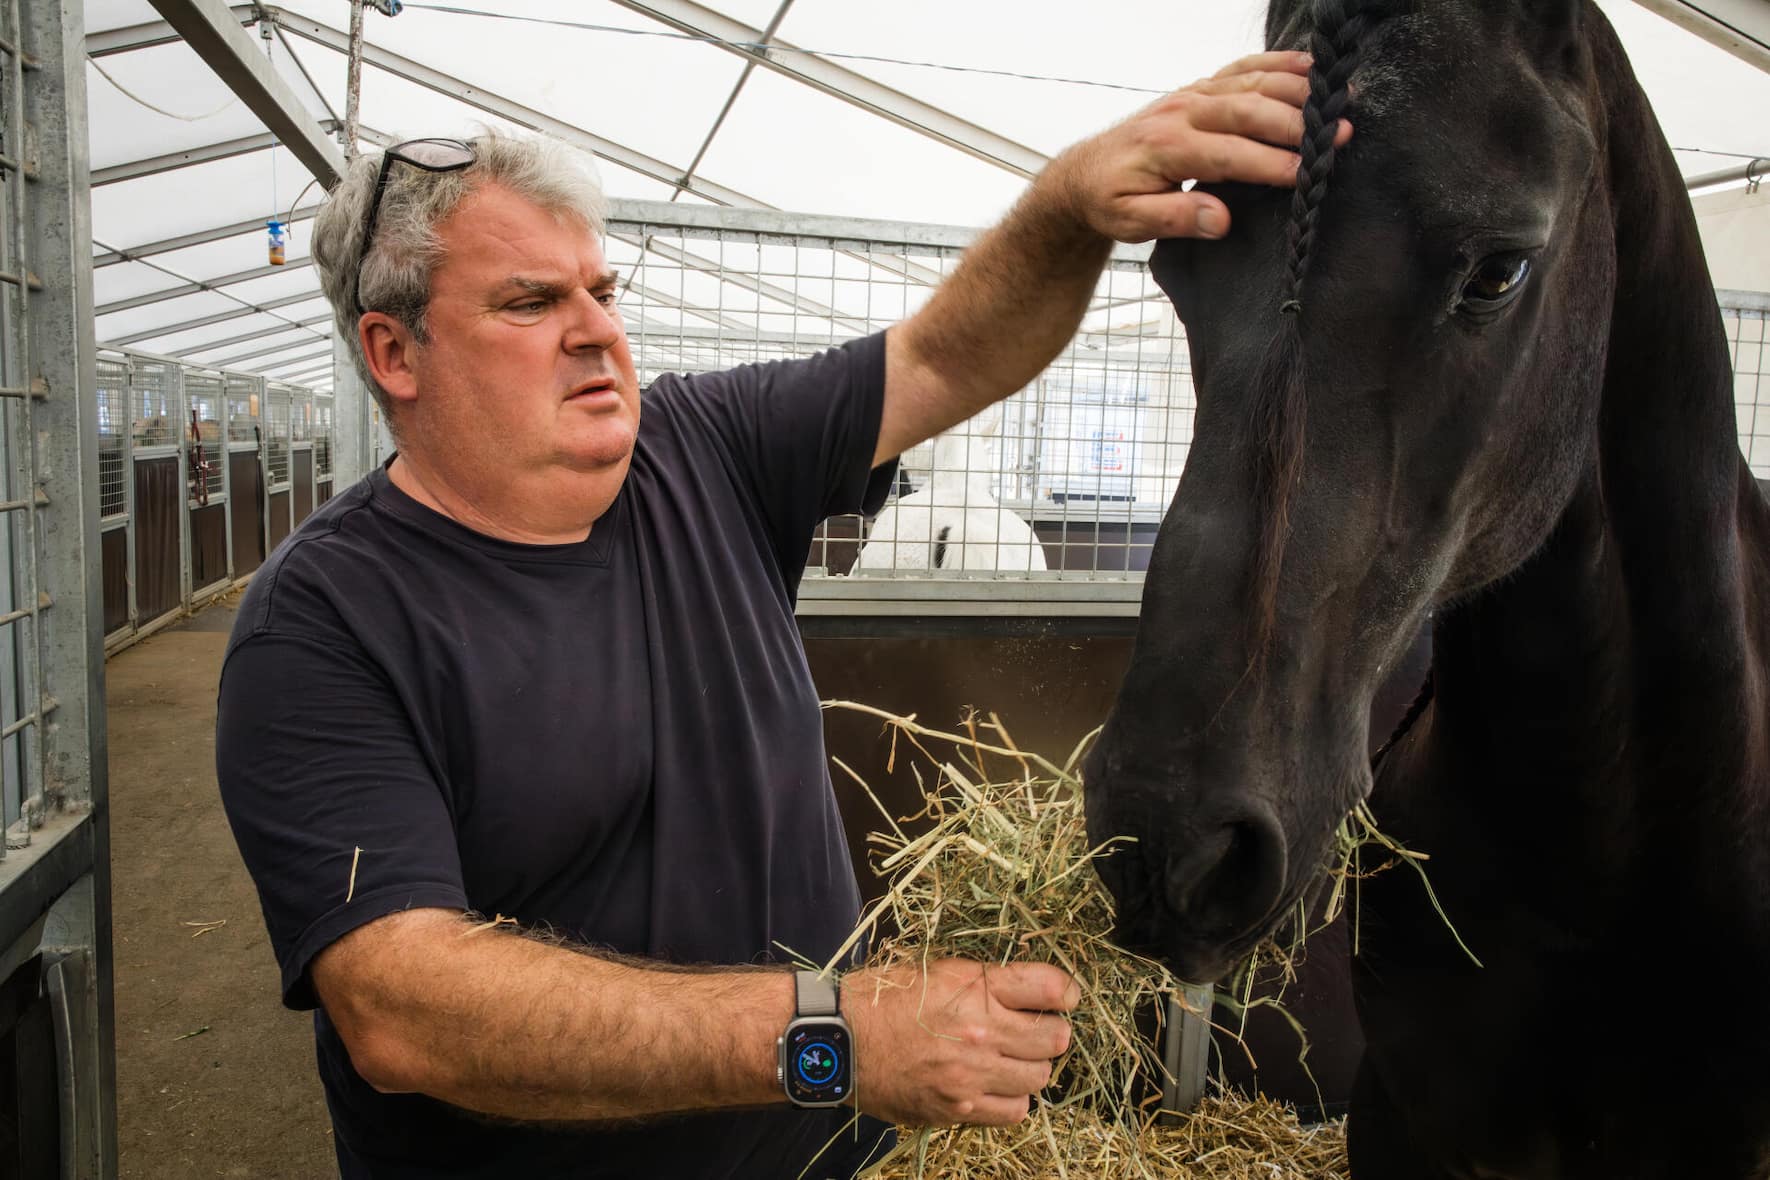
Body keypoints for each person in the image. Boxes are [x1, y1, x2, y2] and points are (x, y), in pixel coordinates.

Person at [216, 51, 1341, 1180]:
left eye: (603, 292)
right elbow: (403, 1010)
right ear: (394, 352)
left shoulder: (704, 446)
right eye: (530, 302)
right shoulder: (324, 622)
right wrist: (835, 1038)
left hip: (828, 1157)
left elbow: (946, 355)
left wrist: (1069, 208)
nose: (597, 332)